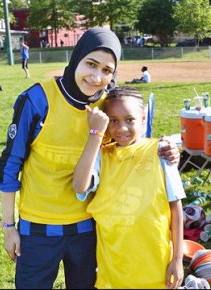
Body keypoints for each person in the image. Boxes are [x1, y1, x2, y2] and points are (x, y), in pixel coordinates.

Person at [0, 28, 180, 289]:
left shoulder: (108, 105)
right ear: (76, 58)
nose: (96, 77)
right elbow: (9, 166)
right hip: (38, 228)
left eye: (107, 70)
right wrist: (8, 226)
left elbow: (135, 144)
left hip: (89, 228)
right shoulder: (37, 100)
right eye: (91, 64)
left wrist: (168, 148)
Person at [73, 86, 185, 289]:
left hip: (155, 266)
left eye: (129, 120)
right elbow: (80, 187)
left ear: (143, 118)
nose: (121, 128)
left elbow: (176, 208)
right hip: (113, 270)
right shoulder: (101, 155)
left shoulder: (161, 152)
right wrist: (95, 134)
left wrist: (177, 260)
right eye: (113, 121)